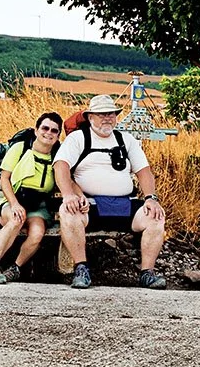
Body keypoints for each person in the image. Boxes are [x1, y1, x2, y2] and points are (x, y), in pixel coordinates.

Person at [53, 94, 167, 290]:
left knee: (155, 216)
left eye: (111, 114)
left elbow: (144, 171)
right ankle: (81, 269)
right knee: (68, 211)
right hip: (90, 206)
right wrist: (68, 195)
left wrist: (151, 198)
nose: (107, 118)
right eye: (101, 114)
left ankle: (147, 273)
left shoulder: (126, 140)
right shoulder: (78, 139)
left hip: (124, 205)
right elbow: (61, 166)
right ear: (90, 117)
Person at [0, 112, 63, 284]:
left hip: (37, 205)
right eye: (45, 128)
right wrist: (14, 204)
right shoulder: (21, 148)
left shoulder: (57, 155)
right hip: (10, 198)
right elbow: (4, 179)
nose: (48, 133)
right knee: (16, 218)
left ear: (58, 135)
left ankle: (15, 269)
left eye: (54, 130)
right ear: (36, 130)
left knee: (37, 232)